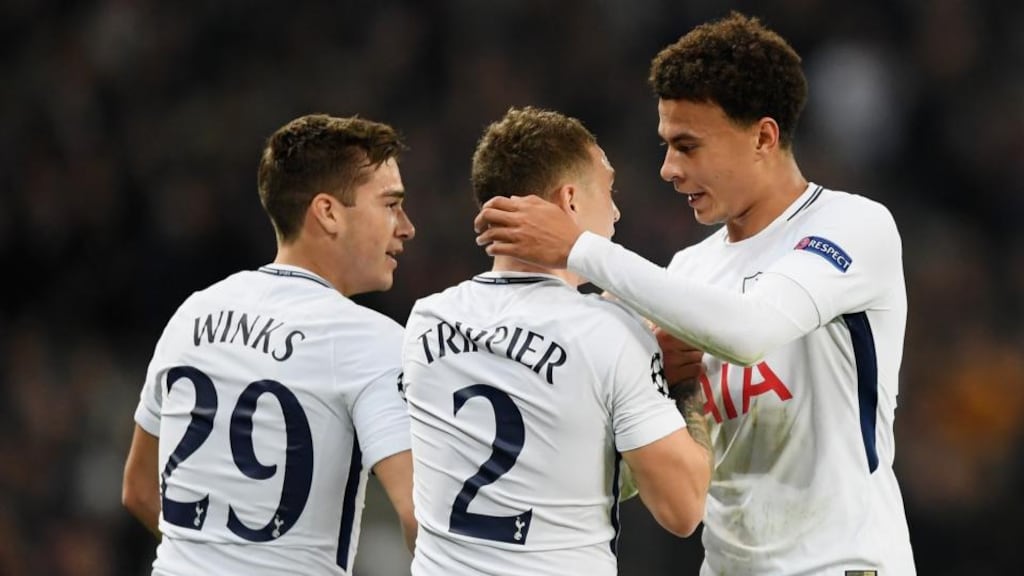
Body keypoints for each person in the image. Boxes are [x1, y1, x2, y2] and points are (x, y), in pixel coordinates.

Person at [473, 12, 916, 576]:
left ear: (763, 136)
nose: (668, 169)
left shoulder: (852, 226)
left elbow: (750, 330)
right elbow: (646, 482)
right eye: (665, 146)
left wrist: (580, 247)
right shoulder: (688, 272)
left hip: (842, 564)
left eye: (688, 146)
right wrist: (666, 392)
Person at [403, 106, 712, 576]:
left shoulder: (425, 321)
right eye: (608, 190)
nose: (615, 211)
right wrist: (680, 388)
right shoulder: (609, 333)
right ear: (569, 199)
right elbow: (683, 509)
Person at [121, 113, 418, 575]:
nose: (406, 227)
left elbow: (139, 489)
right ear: (328, 212)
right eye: (390, 204)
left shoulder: (193, 313)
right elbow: (421, 516)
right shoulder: (370, 340)